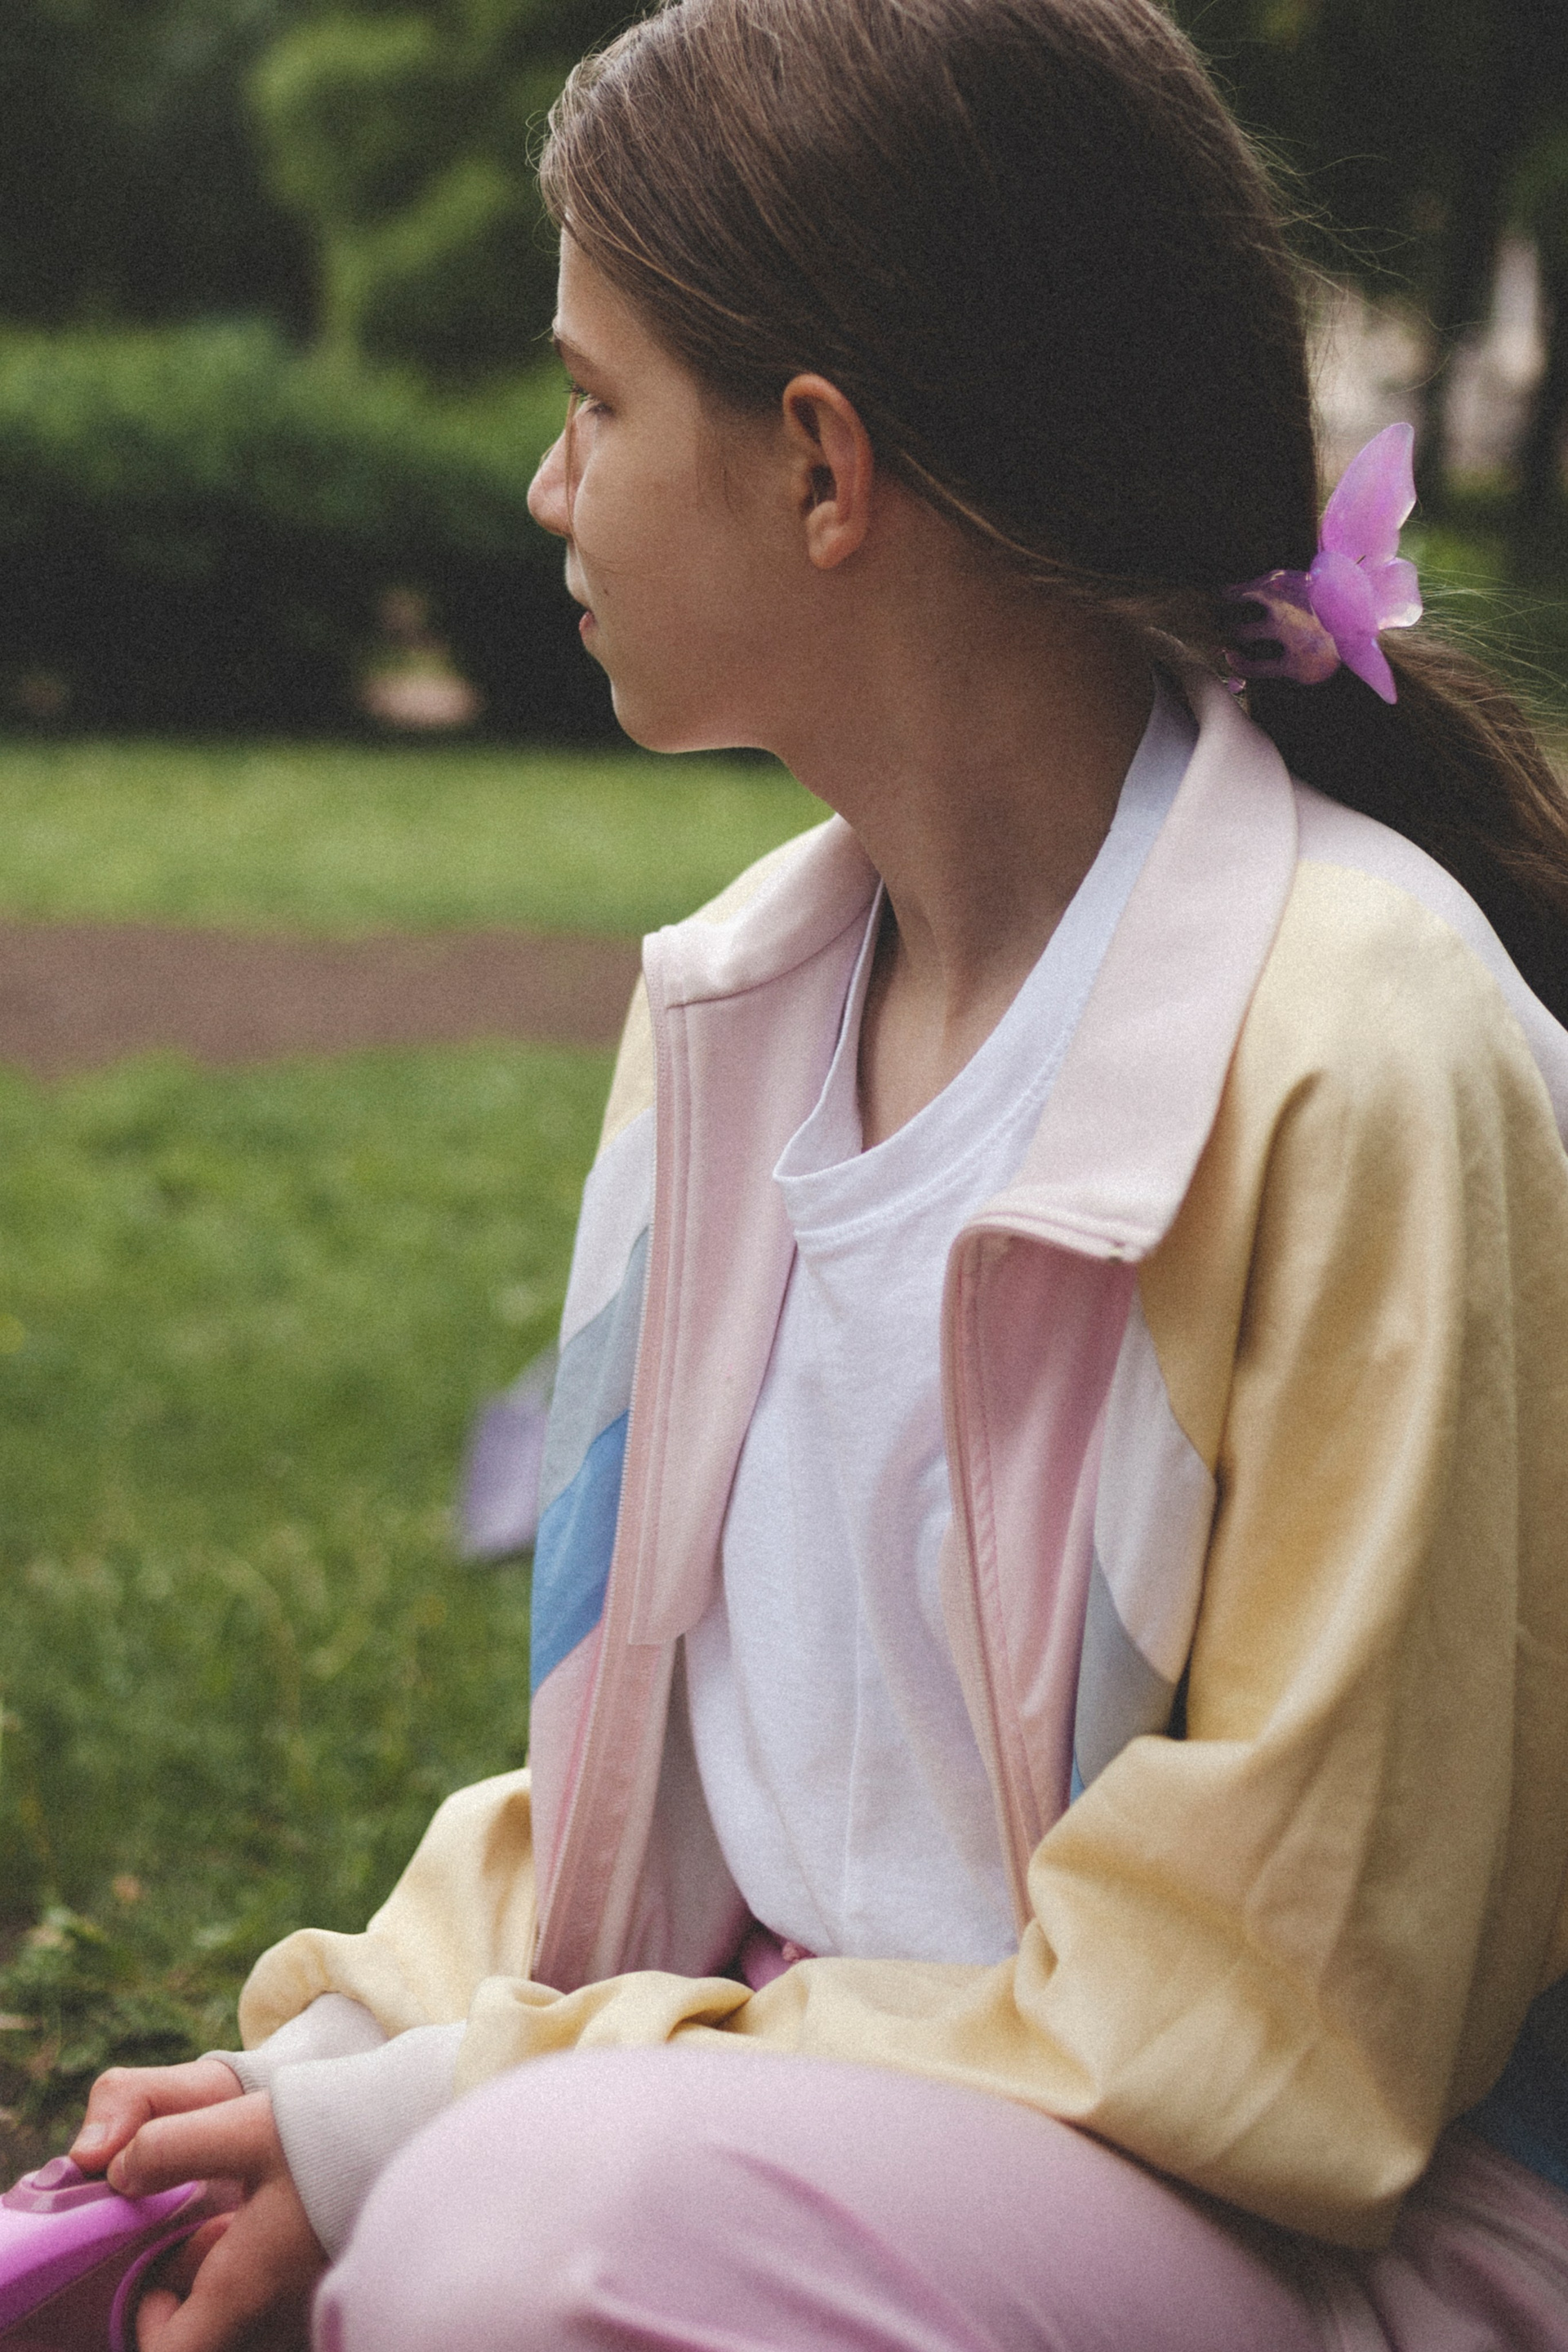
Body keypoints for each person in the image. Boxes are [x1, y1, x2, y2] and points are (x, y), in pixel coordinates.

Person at [65, 0, 1568, 2345]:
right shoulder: (731, 1020)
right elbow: (646, 1769)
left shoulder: (1366, 1056)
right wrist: (339, 2066)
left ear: (821, 468)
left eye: (594, 402)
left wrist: (482, 2115)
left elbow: (1280, 2024)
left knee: (526, 2241)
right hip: (780, 2132)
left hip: (1306, 2232)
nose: (545, 487)